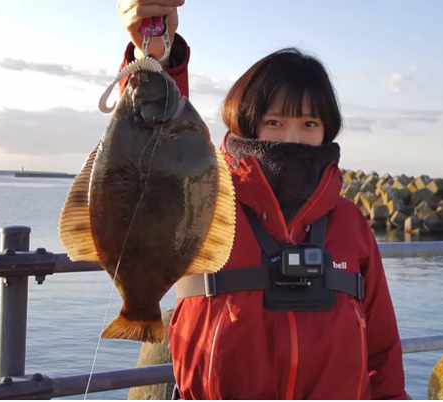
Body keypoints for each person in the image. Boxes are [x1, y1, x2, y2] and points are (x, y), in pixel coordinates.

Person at [116, 0, 407, 399]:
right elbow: (156, 141)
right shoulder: (205, 200)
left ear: (327, 130)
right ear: (248, 122)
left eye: (309, 123)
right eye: (274, 122)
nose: (291, 138)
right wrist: (154, 55)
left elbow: (383, 350)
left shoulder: (350, 223)